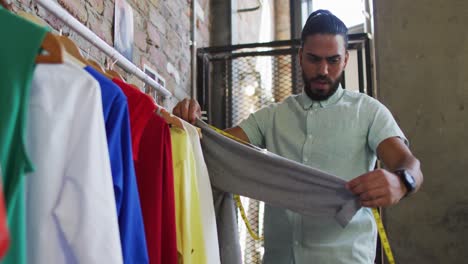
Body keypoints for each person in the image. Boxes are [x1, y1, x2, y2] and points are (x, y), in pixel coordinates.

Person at [173, 9, 423, 264]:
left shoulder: (369, 112)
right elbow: (214, 150)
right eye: (314, 59)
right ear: (300, 56)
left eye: (333, 60)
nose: (323, 70)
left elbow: (410, 165)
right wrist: (188, 125)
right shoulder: (272, 117)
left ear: (346, 59)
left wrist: (402, 181)